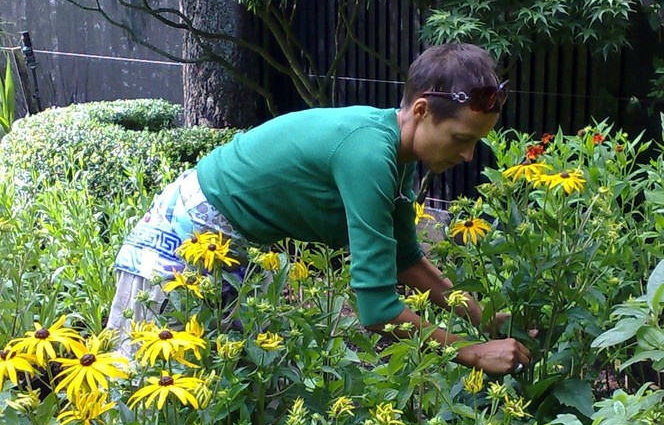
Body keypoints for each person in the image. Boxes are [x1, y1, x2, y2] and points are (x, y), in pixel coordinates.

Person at [108, 42, 533, 376]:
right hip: (178, 244)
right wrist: (471, 352)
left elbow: (405, 260)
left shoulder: (397, 155)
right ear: (421, 110)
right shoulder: (368, 153)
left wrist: (480, 317)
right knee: (130, 399)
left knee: (232, 388)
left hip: (231, 250)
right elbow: (378, 310)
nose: (468, 155)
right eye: (461, 138)